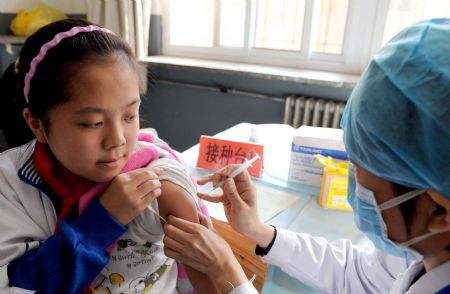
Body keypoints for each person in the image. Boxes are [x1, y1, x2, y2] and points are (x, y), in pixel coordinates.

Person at [162, 18, 450, 293]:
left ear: (438, 211)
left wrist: (228, 271)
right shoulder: (430, 249)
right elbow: (358, 272)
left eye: (360, 172)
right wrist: (258, 230)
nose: (353, 186)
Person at [0, 19, 219, 294]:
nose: (118, 140)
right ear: (37, 124)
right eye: (92, 123)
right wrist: (102, 221)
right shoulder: (8, 187)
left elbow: (205, 270)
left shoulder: (153, 164)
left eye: (130, 115)